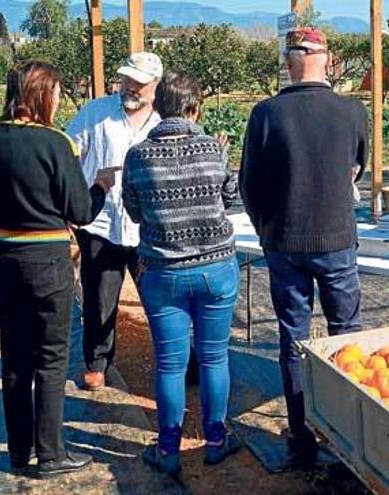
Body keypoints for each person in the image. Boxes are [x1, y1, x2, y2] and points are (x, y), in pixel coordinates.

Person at [0, 61, 114, 477]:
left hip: (2, 262)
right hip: (48, 263)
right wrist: (99, 186)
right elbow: (79, 210)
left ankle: (17, 450)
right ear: (42, 94)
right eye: (56, 91)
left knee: (14, 357)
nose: (59, 98)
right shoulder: (56, 143)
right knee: (50, 358)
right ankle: (50, 455)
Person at [238, 26, 368, 467]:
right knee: (346, 333)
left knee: (293, 338)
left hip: (285, 243)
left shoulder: (267, 114)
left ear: (290, 62)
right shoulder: (351, 111)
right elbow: (357, 168)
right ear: (327, 60)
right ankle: (350, 426)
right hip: (336, 241)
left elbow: (248, 185)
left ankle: (300, 431)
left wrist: (266, 229)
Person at [121, 72, 240, 477]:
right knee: (213, 356)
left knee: (171, 363)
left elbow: (134, 212)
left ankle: (168, 448)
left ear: (158, 108)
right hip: (216, 269)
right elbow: (230, 198)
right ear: (194, 108)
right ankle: (216, 440)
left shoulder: (137, 155)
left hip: (163, 271)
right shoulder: (212, 148)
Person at [66, 52, 163, 390]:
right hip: (101, 225)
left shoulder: (163, 121)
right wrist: (76, 203)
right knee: (98, 298)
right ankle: (97, 363)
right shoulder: (96, 113)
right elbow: (68, 155)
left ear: (155, 85)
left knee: (160, 298)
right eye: (127, 80)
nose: (130, 87)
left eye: (138, 82)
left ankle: (180, 358)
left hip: (148, 229)